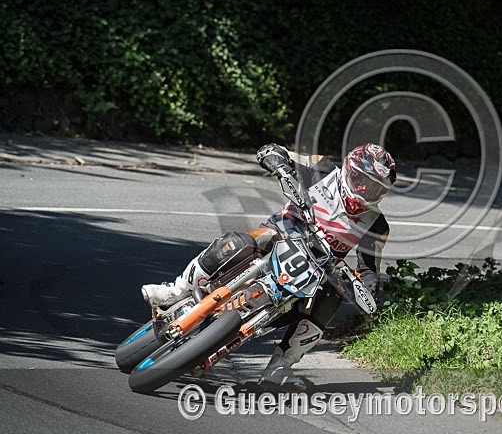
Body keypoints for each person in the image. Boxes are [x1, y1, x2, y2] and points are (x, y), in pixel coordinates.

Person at [140, 143, 396, 390]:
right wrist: (278, 162)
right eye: (362, 181)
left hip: (318, 270)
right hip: (280, 234)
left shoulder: (376, 225)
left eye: (375, 189)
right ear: (349, 170)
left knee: (333, 296)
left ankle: (280, 366)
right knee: (236, 242)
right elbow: (277, 151)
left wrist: (366, 290)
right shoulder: (322, 169)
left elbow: (369, 269)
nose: (365, 191)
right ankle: (176, 290)